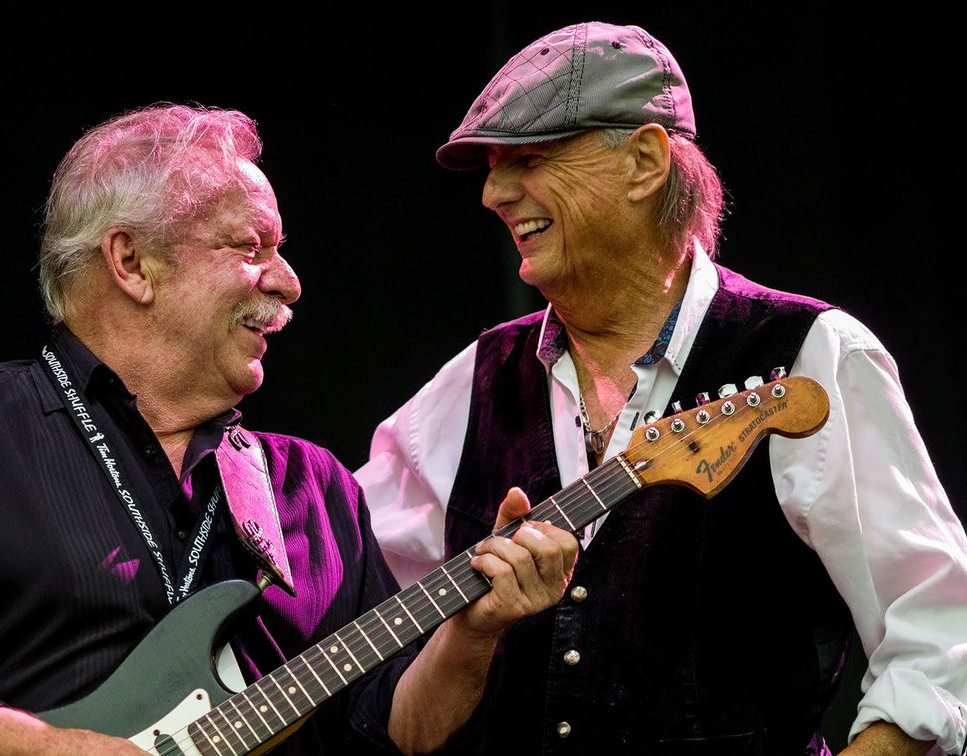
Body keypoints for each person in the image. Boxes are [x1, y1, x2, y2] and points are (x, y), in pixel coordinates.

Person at [0, 104, 575, 755]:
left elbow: (388, 730)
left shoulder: (314, 488)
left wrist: (474, 633)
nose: (288, 284)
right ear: (132, 263)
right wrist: (31, 746)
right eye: (251, 246)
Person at [356, 21, 967, 756]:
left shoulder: (807, 354)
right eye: (491, 166)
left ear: (645, 161)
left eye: (528, 157)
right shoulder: (470, 386)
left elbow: (941, 632)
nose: (494, 192)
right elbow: (349, 615)